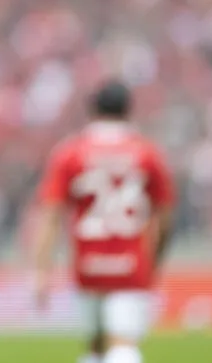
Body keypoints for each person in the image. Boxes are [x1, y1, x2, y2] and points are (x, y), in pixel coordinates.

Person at [33, 80, 176, 363]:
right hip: (132, 264)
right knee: (123, 344)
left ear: (92, 109)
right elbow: (165, 216)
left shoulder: (70, 153)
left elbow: (51, 215)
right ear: (129, 110)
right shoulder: (147, 154)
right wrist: (155, 260)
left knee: (97, 346)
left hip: (88, 265)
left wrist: (41, 270)